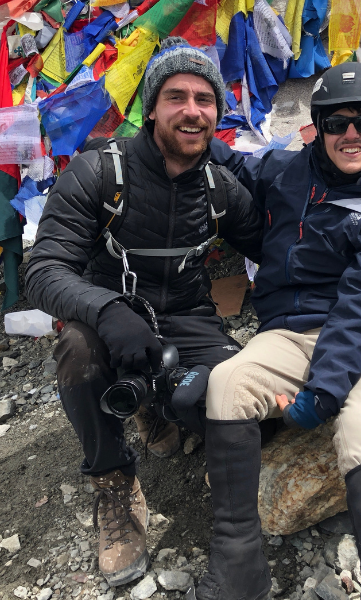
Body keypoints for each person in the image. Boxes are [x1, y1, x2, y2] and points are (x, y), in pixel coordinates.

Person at [25, 37, 262, 587]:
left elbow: (277, 251)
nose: (191, 110)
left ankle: (155, 404)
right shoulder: (96, 173)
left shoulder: (220, 187)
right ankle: (113, 485)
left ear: (215, 116)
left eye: (205, 100)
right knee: (80, 352)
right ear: (151, 106)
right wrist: (106, 309)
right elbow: (43, 270)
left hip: (188, 313)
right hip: (110, 310)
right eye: (176, 96)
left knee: (236, 400)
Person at [194, 62, 361, 600]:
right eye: (337, 123)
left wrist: (323, 391)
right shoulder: (288, 171)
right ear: (317, 128)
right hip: (287, 331)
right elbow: (238, 164)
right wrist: (189, 134)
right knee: (227, 384)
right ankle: (240, 567)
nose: (352, 136)